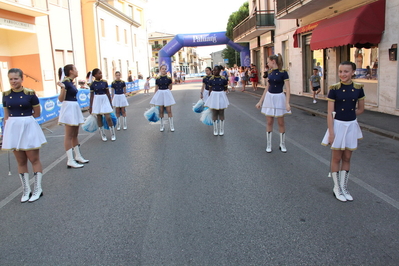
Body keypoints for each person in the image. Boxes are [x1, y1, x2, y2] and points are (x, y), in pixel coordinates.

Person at [321, 61, 365, 202]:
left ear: (353, 72)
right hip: (337, 125)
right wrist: (332, 132)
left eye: (346, 71)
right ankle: (336, 188)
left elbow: (361, 109)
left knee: (347, 158)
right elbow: (329, 113)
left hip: (351, 125)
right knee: (336, 158)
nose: (343, 74)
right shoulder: (334, 89)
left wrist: (350, 117)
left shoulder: (358, 88)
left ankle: (344, 187)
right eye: (340, 71)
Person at [2, 68, 47, 202]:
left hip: (28, 127)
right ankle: (26, 189)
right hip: (13, 129)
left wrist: (24, 121)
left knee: (34, 159)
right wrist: (6, 133)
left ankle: (38, 189)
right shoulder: (5, 95)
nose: (13, 81)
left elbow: (37, 113)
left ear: (22, 79)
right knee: (21, 161)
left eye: (16, 78)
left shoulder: (30, 93)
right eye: (10, 79)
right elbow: (6, 115)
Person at [256, 54, 291, 153]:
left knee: (281, 122)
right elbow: (267, 88)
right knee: (269, 121)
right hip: (269, 98)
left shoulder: (283, 73)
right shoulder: (269, 73)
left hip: (279, 97)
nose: (267, 63)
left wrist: (287, 103)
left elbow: (288, 88)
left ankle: (282, 144)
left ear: (273, 61)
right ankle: (269, 144)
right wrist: (260, 101)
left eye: (268, 61)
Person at [57, 64, 89, 169]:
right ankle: (70, 160)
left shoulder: (70, 82)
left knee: (75, 134)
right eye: (75, 69)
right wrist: (62, 88)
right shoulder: (65, 83)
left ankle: (78, 156)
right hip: (69, 108)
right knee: (69, 135)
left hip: (74, 107)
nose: (77, 70)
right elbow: (61, 99)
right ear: (70, 71)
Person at [89, 68, 116, 141]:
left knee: (108, 117)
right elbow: (91, 96)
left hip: (104, 99)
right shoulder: (92, 84)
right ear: (95, 75)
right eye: (99, 73)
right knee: (99, 117)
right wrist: (90, 106)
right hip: (97, 100)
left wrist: (110, 103)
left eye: (101, 73)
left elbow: (107, 93)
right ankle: (102, 134)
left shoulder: (105, 82)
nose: (101, 74)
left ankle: (112, 133)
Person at [150, 64, 176, 132]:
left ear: (166, 70)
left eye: (165, 69)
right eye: (162, 69)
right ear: (160, 70)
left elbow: (170, 88)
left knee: (169, 110)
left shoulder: (169, 78)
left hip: (167, 93)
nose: (164, 70)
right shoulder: (157, 79)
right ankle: (162, 126)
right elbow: (156, 88)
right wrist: (155, 98)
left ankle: (171, 126)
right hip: (160, 94)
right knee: (160, 111)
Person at [204, 65, 229, 136]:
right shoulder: (211, 79)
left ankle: (221, 129)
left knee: (221, 113)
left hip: (221, 95)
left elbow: (225, 88)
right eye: (213, 70)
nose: (214, 71)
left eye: (216, 70)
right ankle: (215, 129)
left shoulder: (223, 79)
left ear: (219, 71)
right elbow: (210, 89)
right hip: (213, 95)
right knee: (214, 113)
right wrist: (209, 99)